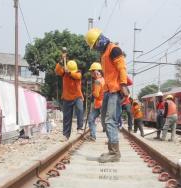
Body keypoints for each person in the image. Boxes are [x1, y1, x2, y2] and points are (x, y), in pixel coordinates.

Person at [85, 28, 129, 163]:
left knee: (110, 120)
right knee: (104, 120)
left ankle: (115, 153)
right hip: (108, 91)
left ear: (99, 40)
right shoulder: (104, 54)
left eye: (95, 45)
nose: (95, 48)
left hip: (115, 91)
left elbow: (121, 68)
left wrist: (123, 85)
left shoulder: (114, 50)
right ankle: (111, 150)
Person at [55, 58, 84, 139]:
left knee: (80, 110)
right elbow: (57, 70)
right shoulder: (64, 73)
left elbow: (78, 76)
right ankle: (65, 135)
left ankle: (79, 128)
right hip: (67, 97)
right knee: (67, 117)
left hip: (77, 96)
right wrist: (60, 62)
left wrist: (70, 72)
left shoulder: (78, 73)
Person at [87, 62, 104, 142]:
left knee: (91, 119)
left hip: (99, 104)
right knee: (105, 122)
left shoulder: (97, 81)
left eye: (91, 71)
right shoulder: (103, 79)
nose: (90, 73)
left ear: (95, 71)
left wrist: (91, 94)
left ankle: (93, 136)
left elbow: (96, 95)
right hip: (103, 103)